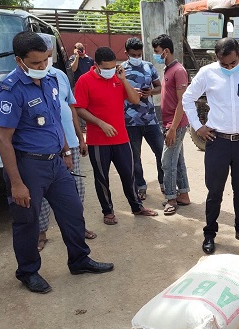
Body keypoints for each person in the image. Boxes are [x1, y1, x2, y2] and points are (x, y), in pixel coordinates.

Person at [0, 31, 114, 294]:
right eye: (36, 63)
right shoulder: (10, 91)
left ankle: (79, 259)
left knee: (72, 212)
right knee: (27, 222)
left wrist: (65, 152)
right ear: (19, 61)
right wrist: (16, 182)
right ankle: (28, 272)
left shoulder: (50, 80)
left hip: (56, 162)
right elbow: (4, 140)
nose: (42, 67)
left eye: (46, 60)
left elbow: (55, 120)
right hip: (28, 167)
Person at [182, 37, 239, 254]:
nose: (229, 67)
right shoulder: (208, 73)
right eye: (224, 64)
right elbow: (187, 98)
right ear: (217, 59)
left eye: (232, 63)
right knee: (215, 192)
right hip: (217, 142)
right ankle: (209, 233)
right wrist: (198, 126)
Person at [74, 46, 158, 225]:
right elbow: (79, 108)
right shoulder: (84, 80)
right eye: (106, 68)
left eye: (113, 67)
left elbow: (135, 100)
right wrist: (100, 123)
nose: (109, 71)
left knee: (129, 174)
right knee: (102, 177)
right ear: (96, 65)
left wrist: (123, 79)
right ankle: (108, 211)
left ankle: (137, 206)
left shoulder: (118, 78)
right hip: (98, 140)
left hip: (121, 138)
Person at [35, 33, 96, 251]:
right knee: (42, 194)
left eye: (48, 55)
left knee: (76, 189)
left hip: (69, 142)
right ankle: (41, 233)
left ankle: (78, 228)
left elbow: (70, 107)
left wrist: (81, 138)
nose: (45, 61)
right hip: (44, 149)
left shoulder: (59, 75)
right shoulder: (25, 80)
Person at [151, 34, 191, 216]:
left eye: (157, 52)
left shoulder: (178, 71)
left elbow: (182, 102)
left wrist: (172, 128)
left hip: (176, 124)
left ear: (165, 51)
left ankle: (171, 198)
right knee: (177, 160)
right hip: (169, 122)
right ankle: (183, 195)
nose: (156, 55)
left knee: (167, 162)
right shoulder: (169, 69)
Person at [122, 37, 165, 201]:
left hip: (150, 119)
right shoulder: (121, 70)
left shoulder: (149, 66)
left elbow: (159, 87)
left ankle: (163, 183)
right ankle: (140, 186)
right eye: (133, 54)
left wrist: (150, 93)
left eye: (139, 54)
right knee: (135, 157)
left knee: (161, 152)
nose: (137, 57)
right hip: (130, 121)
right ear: (126, 53)